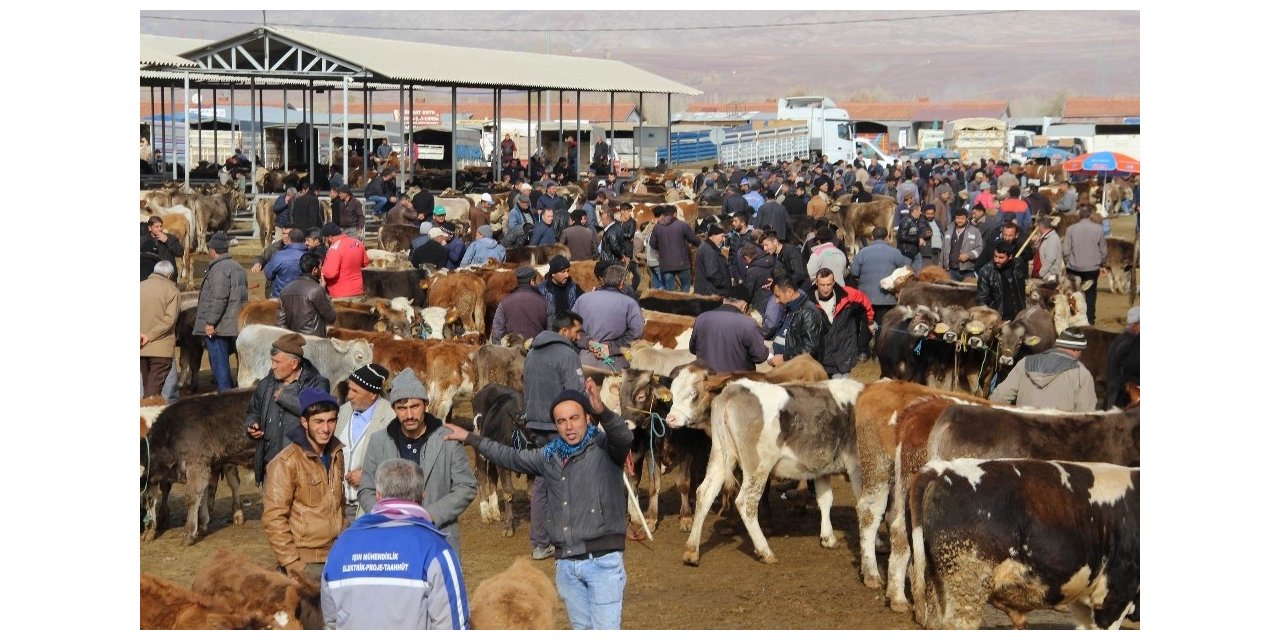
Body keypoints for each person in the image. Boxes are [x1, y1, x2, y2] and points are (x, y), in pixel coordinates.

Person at [440, 379, 632, 630]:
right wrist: (470, 438)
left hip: (603, 562)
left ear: (587, 417)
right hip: (568, 564)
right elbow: (509, 455)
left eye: (574, 418)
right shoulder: (549, 456)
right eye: (561, 421)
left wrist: (603, 411)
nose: (569, 427)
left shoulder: (605, 448)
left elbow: (624, 436)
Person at [322, 458, 470, 630]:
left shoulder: (341, 546)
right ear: (422, 496)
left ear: (378, 495)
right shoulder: (436, 550)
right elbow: (453, 626)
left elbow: (330, 621)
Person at [358, 369, 478, 556]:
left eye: (414, 406)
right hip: (391, 542)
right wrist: (388, 516)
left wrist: (430, 515)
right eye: (402, 408)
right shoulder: (378, 441)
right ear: (394, 409)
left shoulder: (448, 439)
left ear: (426, 405)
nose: (409, 415)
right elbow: (366, 489)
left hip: (438, 538)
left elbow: (467, 486)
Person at [520, 311, 587, 560]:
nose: (579, 336)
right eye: (576, 331)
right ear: (564, 331)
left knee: (542, 482)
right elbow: (576, 394)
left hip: (536, 424)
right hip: (561, 427)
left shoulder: (533, 353)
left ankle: (540, 542)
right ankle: (570, 537)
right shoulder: (568, 355)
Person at [262, 387, 347, 578]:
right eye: (318, 421)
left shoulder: (336, 453)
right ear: (304, 422)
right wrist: (293, 565)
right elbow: (274, 519)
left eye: (331, 421)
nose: (326, 429)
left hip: (337, 556)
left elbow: (338, 504)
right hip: (306, 562)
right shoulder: (286, 462)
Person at [245, 332, 332, 485]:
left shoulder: (318, 384)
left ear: (294, 364)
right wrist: (252, 425)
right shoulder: (266, 384)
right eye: (272, 361)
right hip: (270, 468)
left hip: (302, 472)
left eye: (277, 362)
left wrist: (285, 398)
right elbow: (253, 410)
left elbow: (317, 412)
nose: (273, 366)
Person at [335, 364, 394, 520]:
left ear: (373, 394)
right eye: (349, 389)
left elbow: (398, 463)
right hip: (337, 506)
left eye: (355, 391)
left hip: (368, 508)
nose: (349, 395)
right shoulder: (343, 411)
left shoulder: (390, 419)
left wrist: (369, 477)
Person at [990, 328, 1097, 411]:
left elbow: (998, 398)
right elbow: (1087, 414)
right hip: (1057, 435)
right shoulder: (1081, 373)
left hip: (1023, 431)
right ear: (1077, 349)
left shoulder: (1025, 362)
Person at [194, 232, 247, 392]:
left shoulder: (218, 269)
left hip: (220, 325)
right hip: (235, 320)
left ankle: (225, 395)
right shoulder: (238, 267)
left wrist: (210, 322)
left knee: (219, 361)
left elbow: (219, 298)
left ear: (212, 251)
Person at [848, 226, 908, 356]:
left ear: (872, 237)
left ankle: (862, 352)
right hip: (886, 297)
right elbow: (904, 271)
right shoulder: (895, 252)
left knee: (865, 323)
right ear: (886, 237)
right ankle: (878, 353)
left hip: (865, 296)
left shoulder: (863, 252)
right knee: (882, 324)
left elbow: (854, 272)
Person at [572, 264, 643, 370]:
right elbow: (636, 332)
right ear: (622, 283)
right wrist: (612, 348)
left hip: (586, 362)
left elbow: (571, 327)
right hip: (616, 364)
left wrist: (588, 342)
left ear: (603, 281)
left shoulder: (582, 299)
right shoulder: (630, 303)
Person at [688, 284, 769, 374]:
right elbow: (760, 357)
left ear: (724, 301)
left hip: (706, 381)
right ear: (745, 306)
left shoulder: (701, 318)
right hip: (735, 382)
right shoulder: (749, 324)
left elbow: (693, 348)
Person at [809, 267, 874, 376]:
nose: (825, 289)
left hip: (843, 355)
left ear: (834, 282)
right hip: (819, 357)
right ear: (816, 283)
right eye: (822, 285)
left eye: (829, 284)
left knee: (841, 390)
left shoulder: (849, 295)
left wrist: (869, 321)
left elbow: (866, 305)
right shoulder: (808, 301)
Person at [766, 275, 824, 367]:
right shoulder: (790, 308)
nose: (776, 301)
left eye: (778, 296)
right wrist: (774, 348)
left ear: (789, 292)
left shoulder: (808, 313)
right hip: (786, 368)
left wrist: (784, 358)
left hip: (798, 372)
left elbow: (810, 350)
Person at [140, 261, 179, 398]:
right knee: (153, 391)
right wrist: (149, 336)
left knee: (146, 386)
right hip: (161, 348)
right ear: (169, 275)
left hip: (140, 347)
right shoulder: (172, 291)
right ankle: (147, 416)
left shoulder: (139, 287)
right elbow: (169, 320)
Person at [278, 252, 337, 338]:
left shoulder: (285, 290)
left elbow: (281, 322)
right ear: (314, 270)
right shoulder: (317, 290)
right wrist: (323, 291)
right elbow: (331, 317)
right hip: (314, 340)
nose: (322, 269)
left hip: (294, 341)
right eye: (321, 266)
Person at [1063, 209, 1107, 324]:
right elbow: (1103, 250)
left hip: (1073, 267)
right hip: (1092, 268)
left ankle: (1073, 317)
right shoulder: (1098, 229)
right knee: (1090, 294)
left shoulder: (1070, 229)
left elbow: (1066, 250)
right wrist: (1102, 264)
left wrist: (1068, 262)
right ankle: (1090, 319)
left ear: (1079, 216)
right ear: (1090, 216)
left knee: (1073, 293)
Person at [492, 266, 549, 344]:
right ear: (532, 281)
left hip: (513, 352)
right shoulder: (544, 302)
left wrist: (500, 352)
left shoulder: (504, 303)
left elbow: (497, 332)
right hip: (537, 350)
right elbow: (551, 331)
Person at [976, 241, 1027, 322]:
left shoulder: (1019, 265)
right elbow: (982, 300)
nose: (996, 260)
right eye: (995, 256)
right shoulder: (986, 271)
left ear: (1010, 257)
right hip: (1000, 318)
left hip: (1020, 316)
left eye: (1001, 258)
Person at [320, 223, 369, 300]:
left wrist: (322, 269)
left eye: (324, 239)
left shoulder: (334, 249)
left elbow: (330, 273)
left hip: (340, 295)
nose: (324, 242)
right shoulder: (358, 243)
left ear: (330, 237)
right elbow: (365, 263)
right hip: (358, 291)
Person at [1105, 306, 1140, 409]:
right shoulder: (1133, 345)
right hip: (1125, 402)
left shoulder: (1117, 341)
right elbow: (1132, 375)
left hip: (1112, 397)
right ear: (1136, 325)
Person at [262, 229, 309, 299]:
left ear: (289, 239)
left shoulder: (279, 256)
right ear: (304, 240)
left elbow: (268, 274)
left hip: (281, 297)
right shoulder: (310, 255)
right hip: (304, 298)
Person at [540, 255, 585, 327]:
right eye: (563, 272)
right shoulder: (542, 290)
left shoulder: (574, 288)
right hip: (552, 331)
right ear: (553, 273)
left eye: (567, 271)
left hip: (570, 330)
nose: (567, 275)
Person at [941, 209, 984, 282]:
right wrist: (941, 268)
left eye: (962, 218)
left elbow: (980, 249)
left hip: (968, 271)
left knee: (967, 293)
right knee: (951, 293)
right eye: (958, 218)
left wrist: (968, 255)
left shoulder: (975, 231)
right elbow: (943, 250)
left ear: (967, 218)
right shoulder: (948, 230)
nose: (959, 220)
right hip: (950, 271)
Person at [140, 216, 184, 281]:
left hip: (168, 277)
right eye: (156, 227)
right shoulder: (142, 241)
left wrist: (167, 241)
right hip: (149, 278)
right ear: (149, 228)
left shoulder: (170, 238)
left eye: (161, 226)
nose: (159, 229)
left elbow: (180, 252)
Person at [693, 225, 731, 296]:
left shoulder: (707, 247)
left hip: (707, 291)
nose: (723, 240)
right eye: (722, 236)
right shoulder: (709, 250)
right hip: (710, 293)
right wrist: (725, 285)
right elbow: (712, 273)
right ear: (713, 236)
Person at [1034, 216, 1064, 283]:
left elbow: (1050, 259)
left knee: (1049, 292)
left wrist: (1041, 273)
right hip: (1046, 274)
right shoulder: (1046, 237)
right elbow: (1038, 249)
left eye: (1037, 226)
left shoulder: (1053, 238)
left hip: (1050, 276)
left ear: (1041, 226)